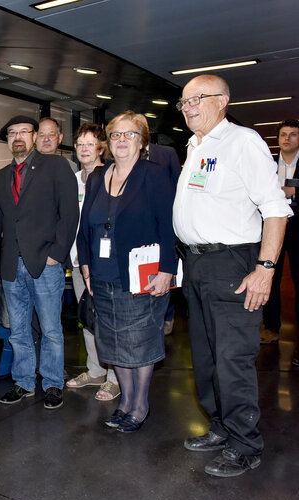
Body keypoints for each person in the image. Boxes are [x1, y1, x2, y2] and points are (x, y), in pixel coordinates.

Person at [173, 75, 291, 477]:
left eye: (197, 99)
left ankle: (245, 443)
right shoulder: (195, 147)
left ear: (222, 101)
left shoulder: (243, 142)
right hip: (197, 265)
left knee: (232, 358)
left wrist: (266, 269)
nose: (188, 107)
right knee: (205, 357)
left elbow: (275, 208)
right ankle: (221, 426)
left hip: (232, 264)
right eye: (184, 102)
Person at [76, 111, 176, 433]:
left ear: (142, 141)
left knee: (139, 341)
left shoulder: (155, 175)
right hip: (102, 277)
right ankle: (125, 400)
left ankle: (139, 404)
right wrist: (86, 264)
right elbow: (85, 227)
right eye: (116, 134)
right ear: (109, 142)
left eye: (129, 134)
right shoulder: (96, 177)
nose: (122, 140)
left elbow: (168, 227)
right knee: (113, 342)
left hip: (141, 276)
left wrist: (166, 270)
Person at [0, 115, 79, 408]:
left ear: (35, 136)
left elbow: (69, 215)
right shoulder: (1, 177)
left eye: (24, 131)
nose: (18, 137)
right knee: (19, 331)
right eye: (12, 133)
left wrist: (56, 255)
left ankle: (52, 384)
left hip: (44, 264)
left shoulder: (56, 166)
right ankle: (23, 382)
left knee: (50, 329)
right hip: (11, 266)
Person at [64, 123, 121, 401]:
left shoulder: (110, 176)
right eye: (80, 144)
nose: (84, 149)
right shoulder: (73, 180)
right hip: (78, 261)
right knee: (88, 319)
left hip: (103, 263)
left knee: (109, 320)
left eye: (90, 143)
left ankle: (114, 378)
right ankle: (96, 370)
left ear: (101, 147)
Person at [136, 114, 183, 336]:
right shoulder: (121, 155)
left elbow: (177, 189)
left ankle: (168, 316)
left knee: (164, 274)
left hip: (162, 226)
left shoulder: (166, 154)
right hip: (137, 229)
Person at [261, 119, 299, 351]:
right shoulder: (268, 164)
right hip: (274, 226)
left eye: (293, 134)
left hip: (298, 228)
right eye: (283, 134)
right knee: (270, 278)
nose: (287, 138)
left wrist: (294, 190)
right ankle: (272, 328)